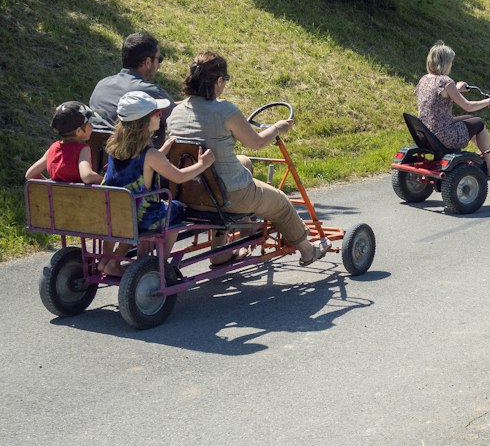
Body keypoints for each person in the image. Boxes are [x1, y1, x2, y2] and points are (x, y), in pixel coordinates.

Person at [166, 50, 329, 266]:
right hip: (227, 193)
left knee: (244, 161)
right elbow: (257, 142)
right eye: (225, 81)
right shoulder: (225, 110)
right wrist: (277, 128)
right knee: (280, 201)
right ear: (219, 80)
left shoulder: (176, 111)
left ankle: (221, 251)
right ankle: (308, 251)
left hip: (188, 191)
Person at [100, 90, 216, 276]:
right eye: (157, 113)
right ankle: (160, 264)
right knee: (176, 209)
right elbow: (178, 176)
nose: (160, 115)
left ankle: (108, 261)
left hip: (115, 211)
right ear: (144, 122)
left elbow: (136, 167)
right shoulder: (150, 154)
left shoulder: (113, 146)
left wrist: (161, 151)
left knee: (126, 217)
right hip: (142, 217)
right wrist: (203, 164)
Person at [415, 41, 490, 179]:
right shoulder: (446, 81)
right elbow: (468, 106)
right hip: (443, 135)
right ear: (445, 62)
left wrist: (456, 90)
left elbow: (436, 96)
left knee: (468, 120)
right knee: (478, 123)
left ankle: (486, 153)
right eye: (451, 62)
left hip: (425, 132)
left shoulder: (424, 79)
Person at [89, 31, 174, 130]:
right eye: (159, 59)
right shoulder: (149, 92)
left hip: (97, 145)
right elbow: (178, 117)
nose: (159, 65)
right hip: (134, 146)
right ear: (148, 62)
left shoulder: (102, 84)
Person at [25, 101, 102, 184]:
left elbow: (30, 175)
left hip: (52, 196)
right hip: (78, 196)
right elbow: (87, 176)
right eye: (90, 123)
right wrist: (104, 180)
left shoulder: (53, 148)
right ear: (79, 131)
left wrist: (49, 186)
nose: (92, 126)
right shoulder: (82, 149)